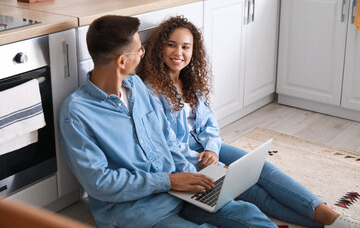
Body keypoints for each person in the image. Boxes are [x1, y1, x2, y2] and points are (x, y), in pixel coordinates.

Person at [137, 15, 360, 228]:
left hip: (208, 149)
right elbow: (165, 144)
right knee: (252, 192)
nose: (179, 52)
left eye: (186, 47)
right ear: (159, 49)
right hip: (186, 161)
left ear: (193, 51)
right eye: (171, 45)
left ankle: (331, 216)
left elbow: (210, 125)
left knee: (264, 170)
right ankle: (330, 223)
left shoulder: (191, 82)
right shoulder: (151, 92)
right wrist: (206, 162)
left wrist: (213, 150)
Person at [58, 15, 280, 228]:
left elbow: (167, 138)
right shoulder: (77, 113)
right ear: (122, 61)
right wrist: (168, 182)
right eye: (139, 50)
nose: (143, 54)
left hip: (178, 191)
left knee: (248, 213)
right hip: (138, 211)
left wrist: (192, 175)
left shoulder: (135, 85)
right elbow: (100, 182)